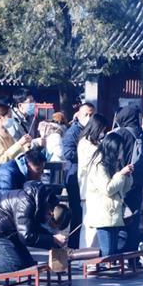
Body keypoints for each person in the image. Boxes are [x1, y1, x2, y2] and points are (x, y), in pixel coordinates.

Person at [0, 181, 69, 277]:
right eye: (50, 222)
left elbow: (33, 228)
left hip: (6, 230)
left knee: (28, 264)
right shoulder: (26, 204)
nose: (47, 223)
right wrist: (52, 239)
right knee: (15, 264)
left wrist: (54, 241)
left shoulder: (40, 204)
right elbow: (26, 237)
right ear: (50, 213)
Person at [111, 105, 143, 252]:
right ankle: (132, 254)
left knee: (119, 219)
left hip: (121, 181)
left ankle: (119, 252)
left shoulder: (119, 134)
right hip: (138, 183)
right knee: (134, 219)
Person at [86, 132, 134, 256]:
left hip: (113, 214)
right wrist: (121, 174)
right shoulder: (98, 165)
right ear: (113, 149)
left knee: (112, 251)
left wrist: (127, 176)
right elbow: (108, 189)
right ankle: (100, 266)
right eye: (120, 150)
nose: (122, 153)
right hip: (103, 214)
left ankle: (107, 266)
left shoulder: (112, 165)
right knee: (107, 251)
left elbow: (123, 189)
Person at [61, 102, 94, 248]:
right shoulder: (73, 132)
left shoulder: (91, 130)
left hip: (85, 175)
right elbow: (68, 153)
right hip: (74, 176)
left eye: (91, 114)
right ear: (79, 115)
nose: (89, 117)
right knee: (77, 211)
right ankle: (74, 244)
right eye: (86, 114)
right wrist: (86, 154)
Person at [77, 113, 108, 248]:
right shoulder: (85, 143)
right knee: (89, 225)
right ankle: (85, 254)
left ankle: (92, 252)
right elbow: (96, 158)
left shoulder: (93, 142)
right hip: (88, 190)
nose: (103, 132)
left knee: (94, 224)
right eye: (102, 129)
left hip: (95, 189)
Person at [0, 102, 32, 172]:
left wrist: (26, 146)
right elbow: (0, 161)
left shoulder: (5, 132)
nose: (12, 119)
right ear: (0, 117)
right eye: (9, 116)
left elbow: (14, 153)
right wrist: (20, 144)